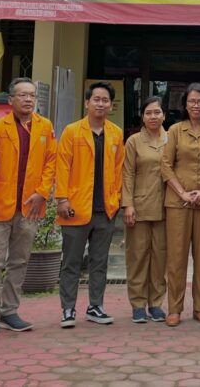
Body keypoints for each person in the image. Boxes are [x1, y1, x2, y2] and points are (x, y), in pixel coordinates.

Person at [0, 77, 57, 335]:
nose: (28, 99)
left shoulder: (45, 127)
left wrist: (42, 193)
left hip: (30, 206)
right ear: (11, 100)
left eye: (32, 95)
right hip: (0, 205)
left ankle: (9, 310)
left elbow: (50, 163)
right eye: (23, 95)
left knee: (20, 260)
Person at [56, 81, 125, 327]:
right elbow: (61, 166)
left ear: (111, 105)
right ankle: (68, 309)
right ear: (87, 102)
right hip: (75, 208)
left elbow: (119, 171)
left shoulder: (116, 133)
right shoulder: (72, 131)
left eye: (105, 100)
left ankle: (96, 306)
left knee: (100, 262)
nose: (100, 103)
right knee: (71, 262)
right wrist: (62, 199)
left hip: (104, 209)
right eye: (96, 99)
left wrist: (116, 200)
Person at [160, 82, 200, 327]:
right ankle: (174, 308)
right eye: (192, 101)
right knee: (176, 257)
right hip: (178, 203)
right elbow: (166, 165)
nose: (196, 105)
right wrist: (183, 193)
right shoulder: (175, 130)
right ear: (184, 104)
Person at [122, 96, 168, 323]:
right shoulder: (133, 142)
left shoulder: (171, 139)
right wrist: (127, 204)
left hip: (166, 208)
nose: (153, 117)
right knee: (138, 256)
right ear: (143, 116)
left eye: (157, 112)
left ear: (164, 115)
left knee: (160, 257)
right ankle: (138, 304)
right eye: (149, 113)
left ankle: (156, 303)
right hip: (139, 207)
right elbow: (127, 173)